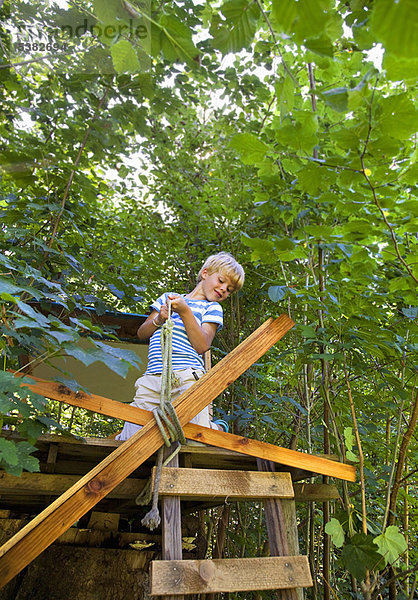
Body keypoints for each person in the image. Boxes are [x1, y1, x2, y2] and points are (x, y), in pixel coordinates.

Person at [115, 252, 245, 441]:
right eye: (221, 281)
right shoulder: (168, 298)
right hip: (154, 376)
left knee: (196, 439)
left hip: (187, 376)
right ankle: (211, 426)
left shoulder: (212, 308)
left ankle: (212, 427)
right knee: (130, 437)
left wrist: (185, 311)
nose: (224, 289)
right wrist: (159, 319)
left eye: (229, 289)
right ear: (205, 273)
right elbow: (142, 333)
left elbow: (202, 345)